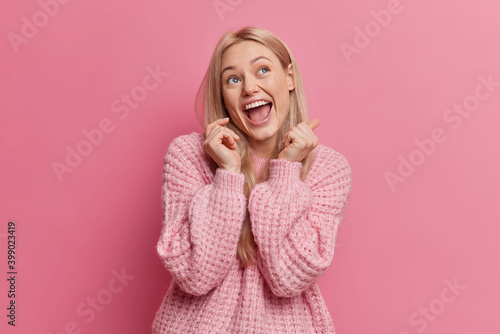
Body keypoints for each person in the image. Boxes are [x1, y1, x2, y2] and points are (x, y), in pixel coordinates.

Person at [152, 26, 353, 334]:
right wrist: (228, 174)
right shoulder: (187, 156)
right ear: (223, 95)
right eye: (233, 79)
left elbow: (288, 279)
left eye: (262, 70)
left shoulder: (328, 168)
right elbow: (196, 275)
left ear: (288, 78)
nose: (249, 88)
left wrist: (286, 170)